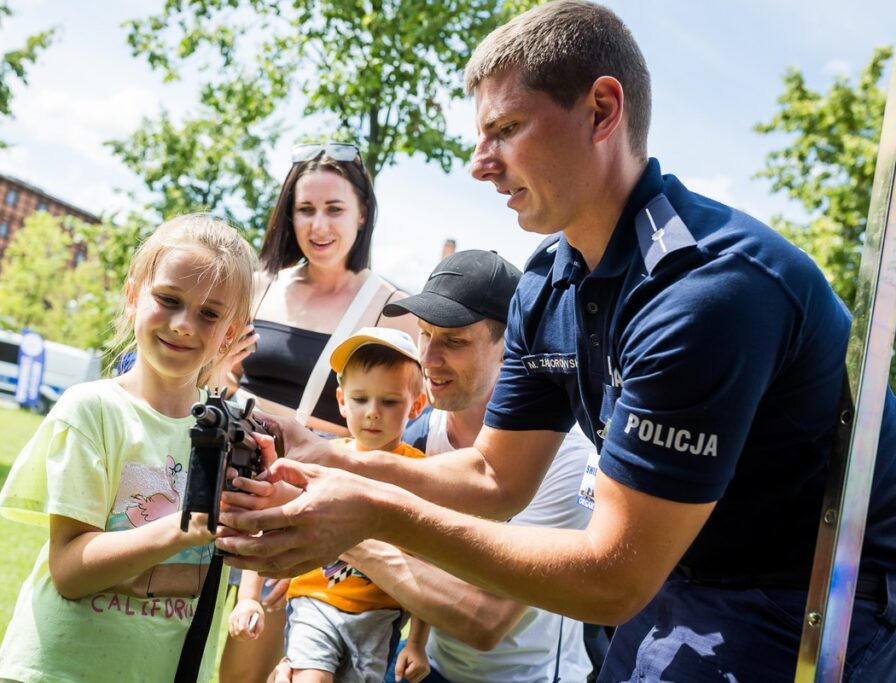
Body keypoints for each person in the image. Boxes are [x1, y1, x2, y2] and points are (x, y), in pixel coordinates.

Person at [217, 2, 896, 681]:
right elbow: (492, 477)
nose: (480, 164)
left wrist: (371, 513)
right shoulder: (547, 284)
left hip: (809, 597)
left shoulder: (705, 293)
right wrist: (330, 455)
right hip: (674, 577)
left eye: (506, 129)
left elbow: (611, 577)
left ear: (601, 111)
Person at [267, 250, 596, 683]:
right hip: (431, 666)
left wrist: (348, 532)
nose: (429, 358)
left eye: (454, 342)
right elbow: (376, 582)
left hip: (527, 676)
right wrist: (306, 645)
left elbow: (485, 620)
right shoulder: (419, 434)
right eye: (424, 334)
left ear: (510, 346)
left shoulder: (566, 457)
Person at [0, 214, 255, 683]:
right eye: (168, 300)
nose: (184, 325)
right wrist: (183, 528)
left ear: (230, 334)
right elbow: (70, 572)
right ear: (133, 297)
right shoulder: (92, 410)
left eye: (209, 314)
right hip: (58, 671)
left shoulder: (235, 432)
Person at [220, 140, 418, 683]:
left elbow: (405, 415)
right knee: (226, 665)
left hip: (310, 505)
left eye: (334, 208)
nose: (318, 225)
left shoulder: (392, 308)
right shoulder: (259, 287)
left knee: (290, 667)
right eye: (305, 209)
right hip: (232, 488)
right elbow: (220, 382)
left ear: (362, 214)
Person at [235, 327, 431, 682]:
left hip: (380, 615)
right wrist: (248, 598)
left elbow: (429, 560)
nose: (372, 413)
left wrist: (416, 642)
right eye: (360, 399)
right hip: (314, 601)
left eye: (389, 402)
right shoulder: (320, 460)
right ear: (342, 400)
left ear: (416, 405)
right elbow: (272, 520)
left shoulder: (421, 473)